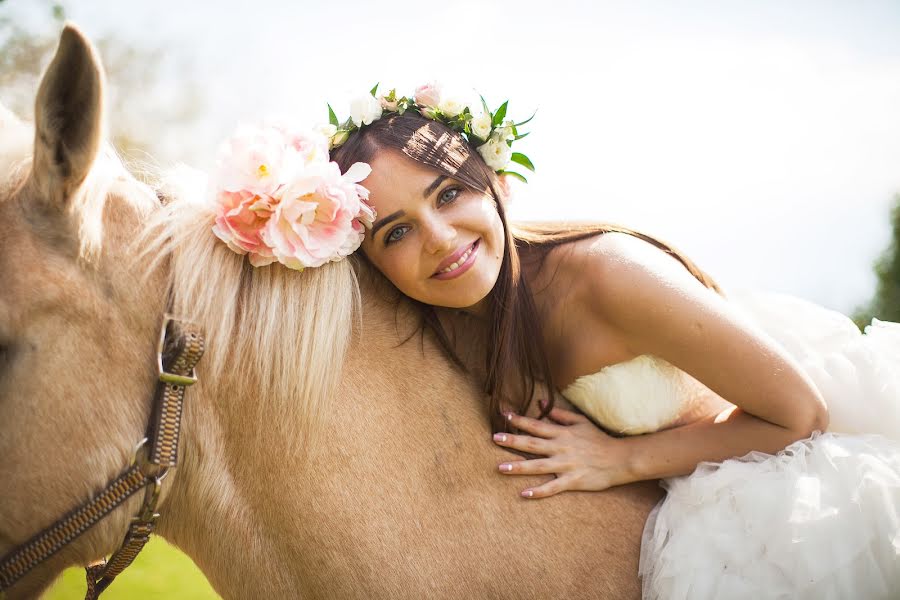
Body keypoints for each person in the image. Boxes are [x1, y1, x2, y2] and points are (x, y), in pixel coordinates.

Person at [212, 86, 900, 598]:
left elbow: (798, 414)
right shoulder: (451, 322)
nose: (441, 239)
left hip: (787, 488)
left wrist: (615, 460)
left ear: (497, 186)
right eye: (396, 232)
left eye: (450, 194)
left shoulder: (608, 277)